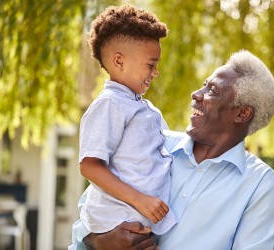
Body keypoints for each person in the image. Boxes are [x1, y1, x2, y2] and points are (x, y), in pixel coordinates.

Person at [75, 49, 274, 250]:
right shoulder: (152, 141)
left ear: (242, 114)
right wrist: (99, 242)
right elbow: (86, 216)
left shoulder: (261, 187)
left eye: (212, 90)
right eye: (204, 85)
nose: (196, 94)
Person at [69, 5, 177, 249]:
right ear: (119, 61)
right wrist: (141, 200)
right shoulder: (110, 105)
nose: (155, 72)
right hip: (119, 222)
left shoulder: (144, 108)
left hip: (141, 223)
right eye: (151, 64)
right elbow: (89, 166)